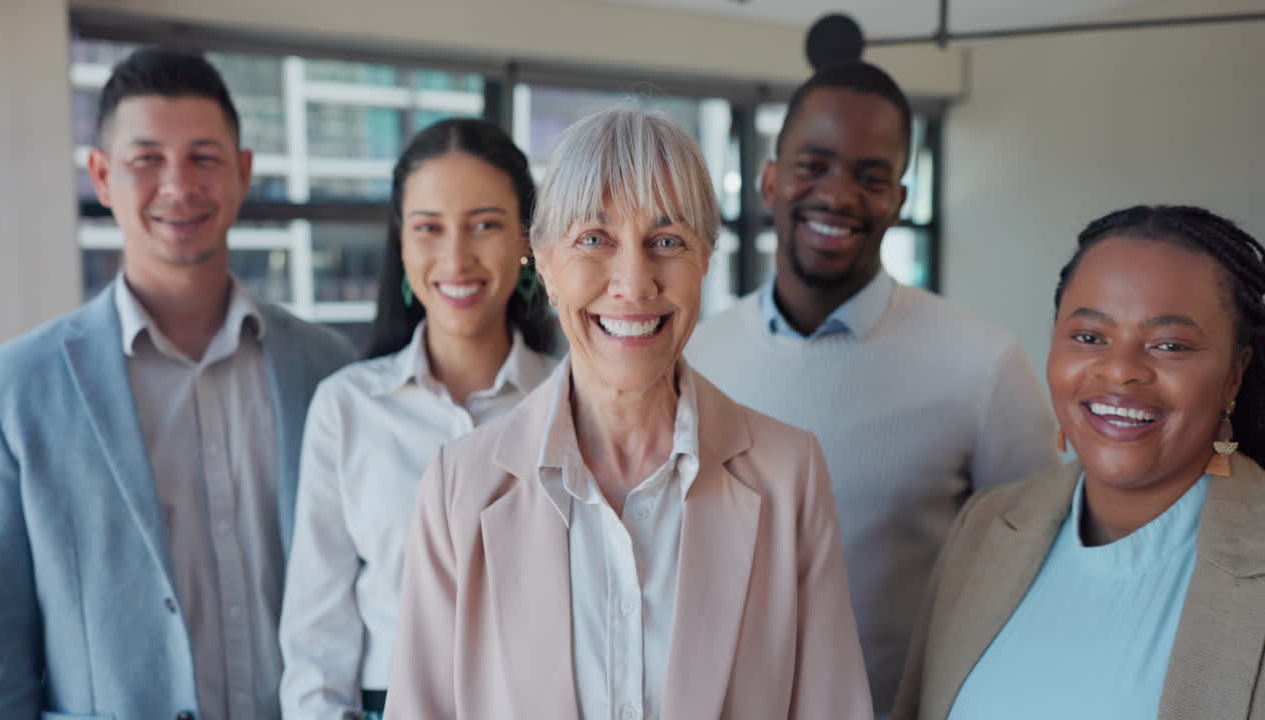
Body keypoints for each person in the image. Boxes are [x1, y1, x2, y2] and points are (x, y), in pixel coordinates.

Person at [382, 107, 873, 720]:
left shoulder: (788, 474)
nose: (634, 283)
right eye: (595, 239)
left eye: (667, 242)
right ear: (544, 260)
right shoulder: (460, 485)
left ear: (705, 263)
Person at [0, 47, 355, 719]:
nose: (178, 186)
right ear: (101, 175)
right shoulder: (13, 392)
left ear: (243, 174)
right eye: (146, 159)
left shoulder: (329, 367)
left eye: (205, 158)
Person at [683, 61, 1057, 715]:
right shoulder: (694, 354)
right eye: (814, 165)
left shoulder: (984, 367)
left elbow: (1035, 579)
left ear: (900, 202)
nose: (839, 195)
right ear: (771, 180)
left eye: (871, 176)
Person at [893, 205, 1265, 720]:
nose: (1120, 371)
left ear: (1233, 375)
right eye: (1090, 337)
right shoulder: (984, 526)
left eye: (1169, 345)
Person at [279, 118, 559, 720]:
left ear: (526, 242)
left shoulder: (572, 401)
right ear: (401, 246)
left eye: (485, 225)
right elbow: (315, 644)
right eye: (429, 229)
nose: (456, 258)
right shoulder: (346, 408)